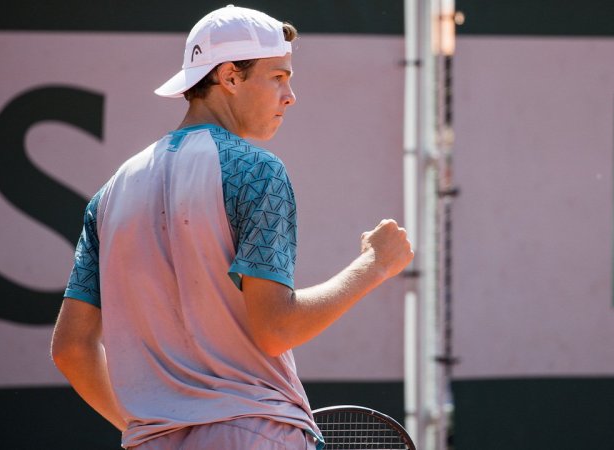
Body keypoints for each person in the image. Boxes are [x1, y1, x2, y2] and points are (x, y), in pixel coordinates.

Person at [50, 5, 414, 450]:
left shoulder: (109, 194)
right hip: (255, 433)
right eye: (278, 76)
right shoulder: (258, 172)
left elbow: (71, 349)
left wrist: (143, 427)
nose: (290, 95)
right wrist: (373, 266)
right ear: (230, 77)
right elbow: (276, 329)